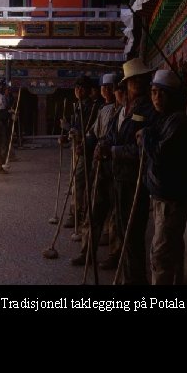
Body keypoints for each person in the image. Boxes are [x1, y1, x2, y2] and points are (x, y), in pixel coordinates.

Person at [98, 58, 156, 285]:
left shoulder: (149, 109)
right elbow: (115, 135)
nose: (137, 84)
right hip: (119, 176)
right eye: (133, 81)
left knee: (133, 234)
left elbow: (141, 149)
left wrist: (113, 150)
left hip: (136, 180)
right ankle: (128, 276)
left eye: (140, 80)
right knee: (123, 230)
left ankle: (136, 280)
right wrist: (104, 145)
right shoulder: (124, 109)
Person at [138, 69, 187, 284]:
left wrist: (145, 137)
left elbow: (161, 155)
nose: (156, 98)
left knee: (160, 255)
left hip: (173, 199)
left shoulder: (179, 121)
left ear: (172, 95)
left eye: (162, 93)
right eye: (153, 92)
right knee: (171, 247)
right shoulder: (163, 119)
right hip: (163, 197)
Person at [71, 73, 118, 266]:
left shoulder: (125, 111)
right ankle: (87, 250)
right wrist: (86, 143)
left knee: (116, 213)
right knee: (93, 208)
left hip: (116, 166)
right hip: (99, 163)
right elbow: (93, 133)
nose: (106, 90)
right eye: (103, 87)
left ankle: (115, 254)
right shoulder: (103, 110)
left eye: (111, 87)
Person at [59, 75, 98, 231]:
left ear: (88, 91)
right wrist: (66, 137)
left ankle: (79, 215)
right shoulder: (78, 106)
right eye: (76, 87)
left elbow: (87, 130)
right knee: (76, 181)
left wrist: (68, 127)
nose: (78, 90)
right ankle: (75, 213)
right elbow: (75, 128)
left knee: (81, 181)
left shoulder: (92, 108)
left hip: (86, 148)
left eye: (82, 88)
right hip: (76, 147)